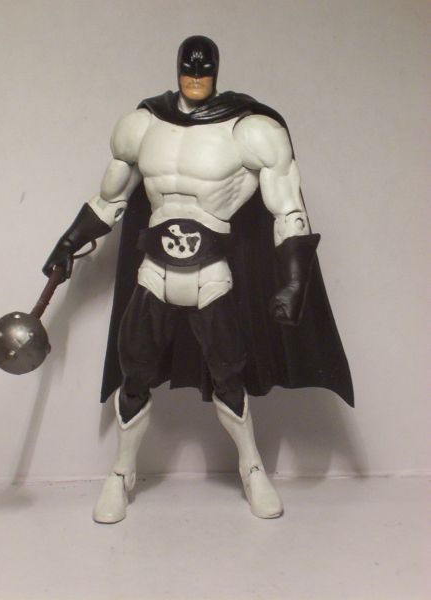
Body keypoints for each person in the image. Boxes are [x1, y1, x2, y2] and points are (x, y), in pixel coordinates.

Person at [43, 36, 353, 523]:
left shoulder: (249, 130)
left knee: (229, 374)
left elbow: (288, 209)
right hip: (153, 272)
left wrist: (295, 282)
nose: (194, 79)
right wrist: (68, 243)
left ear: (215, 71)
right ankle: (121, 473)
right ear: (177, 69)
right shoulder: (143, 125)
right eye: (188, 71)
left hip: (212, 273)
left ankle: (251, 466)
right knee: (134, 372)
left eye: (202, 72)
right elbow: (110, 200)